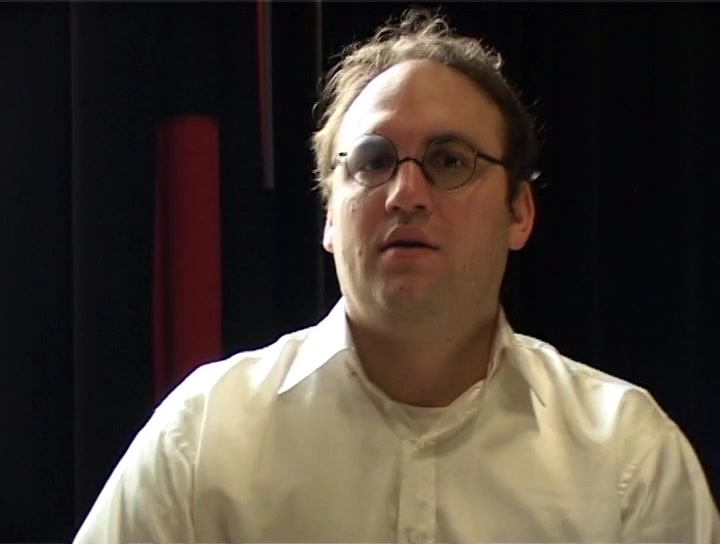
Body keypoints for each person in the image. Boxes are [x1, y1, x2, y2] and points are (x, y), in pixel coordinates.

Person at [73, 8, 720, 544]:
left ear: (519, 212)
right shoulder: (201, 436)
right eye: (374, 161)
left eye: (450, 160)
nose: (406, 193)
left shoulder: (629, 458)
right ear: (331, 217)